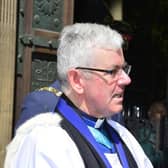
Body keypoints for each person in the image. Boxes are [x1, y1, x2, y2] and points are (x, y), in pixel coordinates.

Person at [5, 23, 153, 168]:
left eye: (124, 69)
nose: (127, 80)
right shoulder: (43, 138)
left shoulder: (123, 135)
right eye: (112, 72)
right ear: (77, 80)